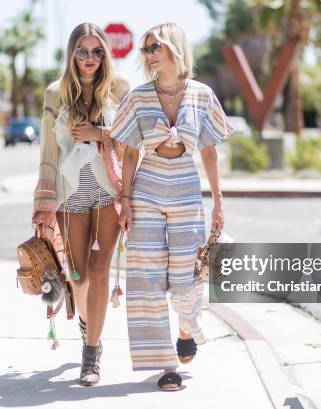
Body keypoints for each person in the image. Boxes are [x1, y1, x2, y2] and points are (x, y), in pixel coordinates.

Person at [110, 22, 232, 391]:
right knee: (146, 277)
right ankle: (166, 365)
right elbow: (129, 153)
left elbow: (209, 152)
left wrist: (218, 201)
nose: (149, 54)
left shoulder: (202, 95)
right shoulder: (137, 97)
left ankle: (186, 329)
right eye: (146, 48)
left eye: (155, 46)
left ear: (175, 49)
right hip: (147, 188)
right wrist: (126, 200)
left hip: (185, 189)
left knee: (186, 276)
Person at [31, 22, 130, 387]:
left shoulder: (119, 89)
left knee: (101, 269)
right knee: (80, 275)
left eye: (98, 51)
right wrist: (43, 201)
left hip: (108, 190)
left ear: (106, 54)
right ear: (72, 53)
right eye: (83, 51)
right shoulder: (55, 93)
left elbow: (132, 141)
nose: (90, 59)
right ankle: (88, 319)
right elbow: (47, 150)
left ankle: (91, 355)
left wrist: (99, 133)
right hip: (70, 193)